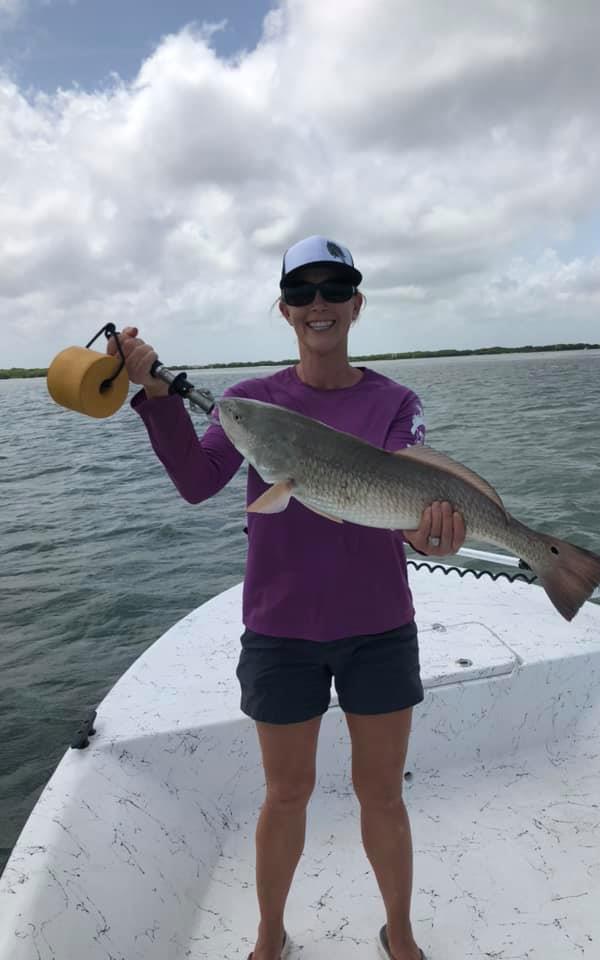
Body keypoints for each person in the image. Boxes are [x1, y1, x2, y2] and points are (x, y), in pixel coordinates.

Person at [109, 235, 466, 960]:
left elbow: (410, 522)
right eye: (302, 293)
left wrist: (433, 536)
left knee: (384, 794)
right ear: (284, 310)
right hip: (281, 630)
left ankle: (400, 934)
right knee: (286, 794)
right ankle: (269, 934)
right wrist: (154, 395)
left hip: (379, 626)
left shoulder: (396, 403)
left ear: (356, 304)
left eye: (334, 290)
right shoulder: (250, 405)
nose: (318, 304)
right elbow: (197, 480)